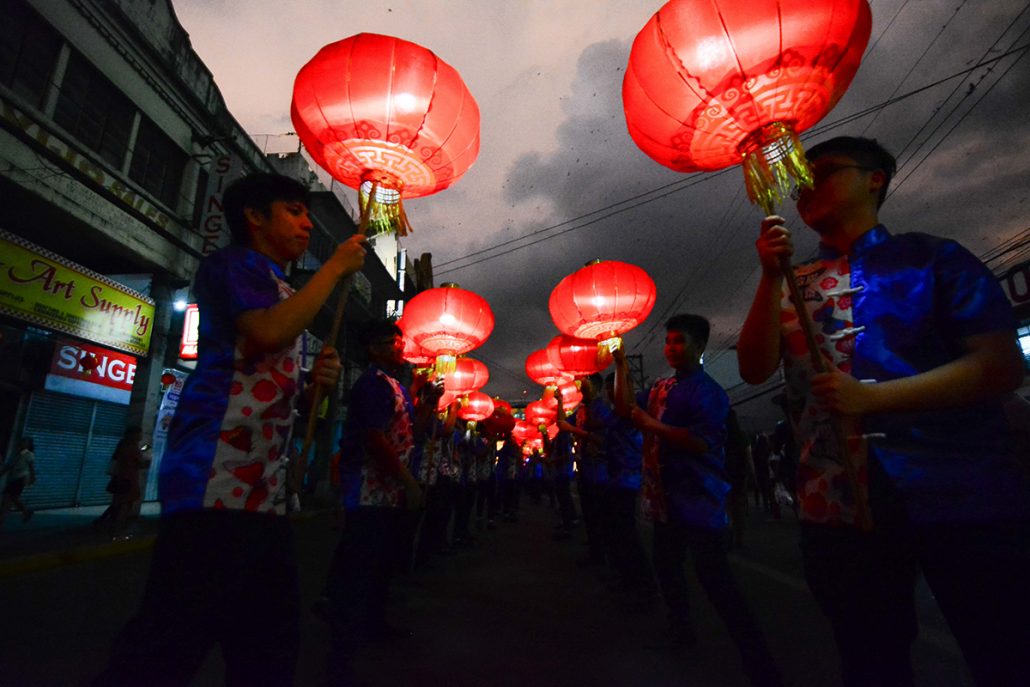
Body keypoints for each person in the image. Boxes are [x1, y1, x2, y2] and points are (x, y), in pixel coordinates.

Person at [737, 135, 1030, 687]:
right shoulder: (792, 284)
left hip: (961, 493)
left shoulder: (934, 258)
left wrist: (874, 399)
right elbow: (754, 368)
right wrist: (770, 276)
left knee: (1004, 652)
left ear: (875, 179)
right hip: (837, 506)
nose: (804, 187)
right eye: (798, 179)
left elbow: (998, 366)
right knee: (870, 661)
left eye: (821, 171)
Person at [93, 172, 366, 687]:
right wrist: (332, 269)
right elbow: (265, 333)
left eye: (307, 213)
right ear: (254, 216)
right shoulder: (234, 265)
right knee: (168, 642)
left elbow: (269, 379)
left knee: (270, 642)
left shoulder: (282, 287)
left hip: (261, 493)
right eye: (294, 210)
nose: (308, 222)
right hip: (216, 482)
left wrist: (316, 387)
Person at [614, 315, 781, 687]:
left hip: (699, 500)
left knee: (718, 584)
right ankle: (680, 630)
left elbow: (701, 442)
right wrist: (621, 364)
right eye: (668, 340)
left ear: (700, 346)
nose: (671, 347)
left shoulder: (709, 392)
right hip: (665, 501)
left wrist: (651, 426)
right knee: (668, 570)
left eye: (680, 341)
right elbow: (626, 409)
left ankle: (760, 663)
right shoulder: (661, 388)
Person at [326, 319, 441, 679]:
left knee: (380, 562)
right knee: (362, 564)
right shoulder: (371, 385)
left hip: (387, 491)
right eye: (393, 342)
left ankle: (372, 623)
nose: (400, 347)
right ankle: (341, 650)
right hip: (368, 488)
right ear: (373, 348)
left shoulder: (398, 388)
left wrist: (430, 403)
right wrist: (408, 481)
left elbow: (414, 433)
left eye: (399, 341)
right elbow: (375, 440)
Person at [94, 426, 149, 534]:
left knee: (117, 503)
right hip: (129, 479)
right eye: (139, 433)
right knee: (125, 504)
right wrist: (145, 455)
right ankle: (117, 528)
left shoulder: (122, 444)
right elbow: (140, 463)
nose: (141, 435)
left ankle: (104, 522)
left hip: (119, 477)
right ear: (134, 435)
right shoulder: (133, 448)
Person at [0, 437, 36, 526]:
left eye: (25, 442)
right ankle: (26, 512)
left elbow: (31, 467)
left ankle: (1, 519)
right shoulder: (17, 453)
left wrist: (32, 478)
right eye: (22, 441)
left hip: (20, 479)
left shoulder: (29, 454)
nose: (23, 443)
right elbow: (9, 465)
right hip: (13, 478)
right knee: (12, 499)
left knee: (8, 499)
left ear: (29, 445)